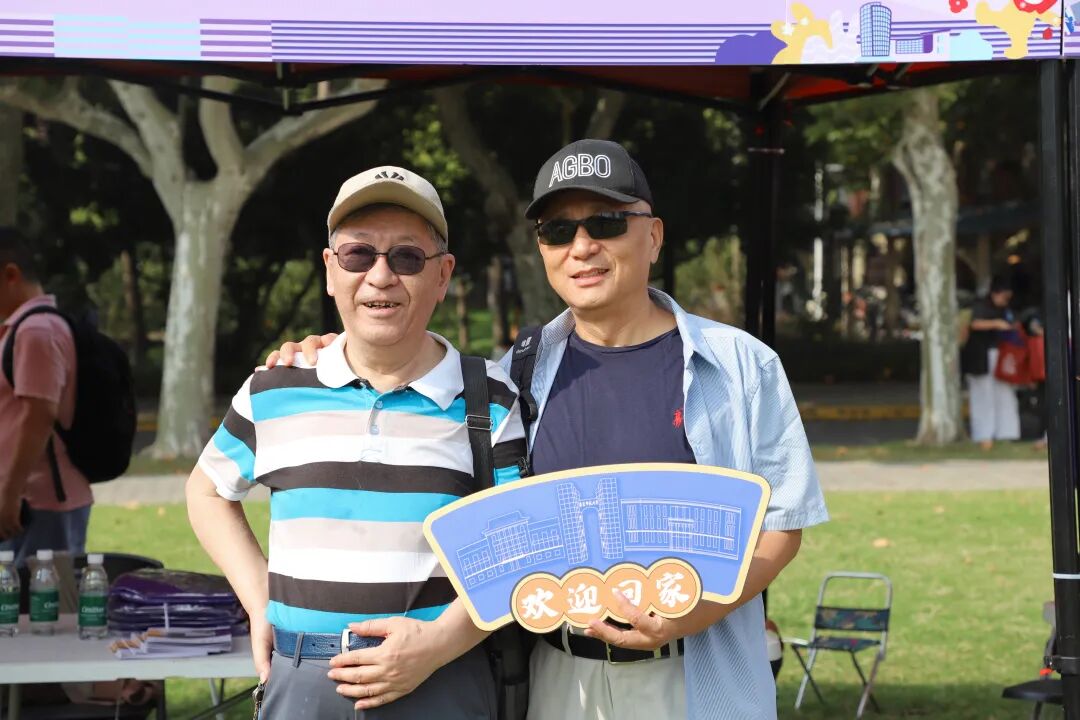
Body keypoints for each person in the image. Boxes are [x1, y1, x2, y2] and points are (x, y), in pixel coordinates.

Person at [269, 140, 828, 720]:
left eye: (607, 223)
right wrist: (336, 350)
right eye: (558, 231)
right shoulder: (517, 372)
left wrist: (693, 615)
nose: (582, 247)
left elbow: (781, 527)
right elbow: (407, 365)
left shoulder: (741, 365)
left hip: (692, 677)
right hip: (555, 680)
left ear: (654, 236)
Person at [187, 167, 527, 719]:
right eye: (358, 255)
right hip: (304, 680)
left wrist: (436, 645)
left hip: (442, 678)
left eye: (407, 257)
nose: (381, 276)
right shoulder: (275, 388)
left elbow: (518, 551)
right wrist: (259, 600)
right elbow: (206, 491)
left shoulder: (489, 397)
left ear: (442, 275)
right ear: (330, 270)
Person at [0, 228, 93, 566]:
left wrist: (9, 494)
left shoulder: (36, 331)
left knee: (43, 597)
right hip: (31, 499)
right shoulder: (25, 329)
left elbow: (38, 416)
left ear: (11, 275)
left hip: (40, 501)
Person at [962, 275, 1021, 450]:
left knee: (1004, 393)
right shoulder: (981, 306)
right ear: (996, 293)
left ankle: (1006, 432)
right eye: (1004, 297)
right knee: (983, 395)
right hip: (981, 356)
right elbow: (975, 324)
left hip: (1000, 353)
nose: (1005, 301)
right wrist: (996, 323)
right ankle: (983, 434)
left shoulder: (1005, 310)